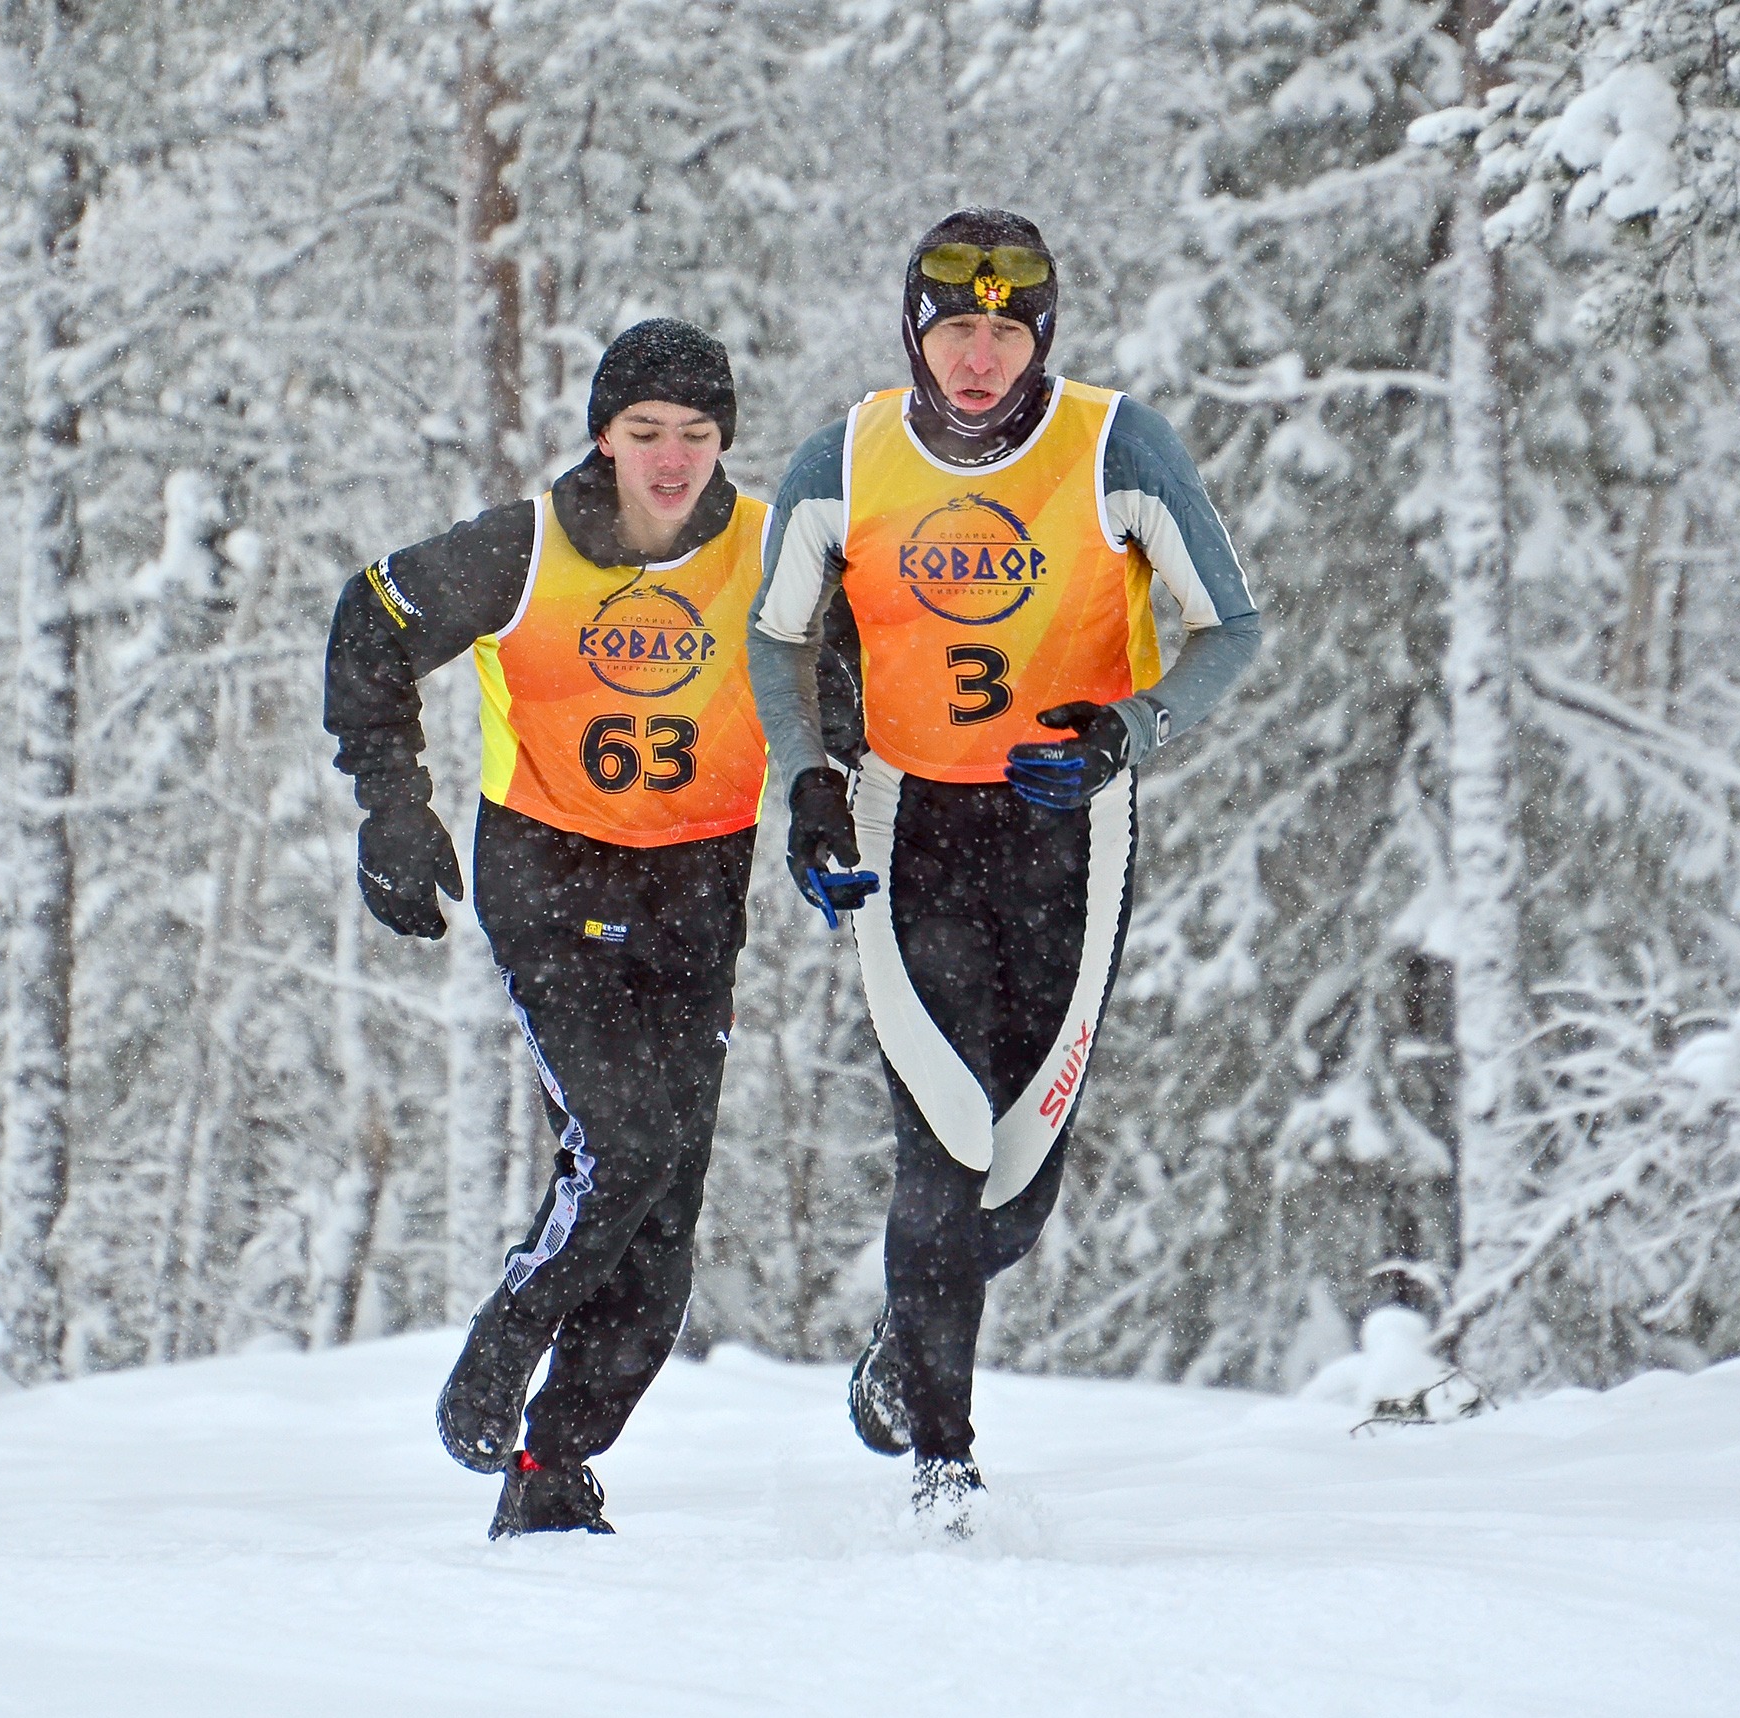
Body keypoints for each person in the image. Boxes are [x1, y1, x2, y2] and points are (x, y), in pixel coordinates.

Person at [747, 210, 1262, 1527]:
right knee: (942, 1142)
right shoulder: (846, 460)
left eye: (1005, 331)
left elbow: (1230, 626)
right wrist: (811, 778)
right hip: (902, 821)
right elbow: (777, 637)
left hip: (1066, 831)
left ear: (1043, 336)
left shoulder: (1114, 444)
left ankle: (902, 1356)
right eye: (955, 330)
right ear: (916, 334)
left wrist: (1128, 733)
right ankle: (945, 1460)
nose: (979, 358)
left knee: (1020, 1178)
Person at [323, 319, 770, 1538]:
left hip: (695, 895)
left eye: (694, 434)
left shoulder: (772, 549)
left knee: (665, 1214)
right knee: (622, 1145)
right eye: (645, 434)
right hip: (552, 885)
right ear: (603, 437)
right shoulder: (521, 548)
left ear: (722, 439)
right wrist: (393, 805)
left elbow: (857, 671)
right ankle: (506, 1332)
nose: (671, 459)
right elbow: (368, 625)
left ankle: (552, 1472)